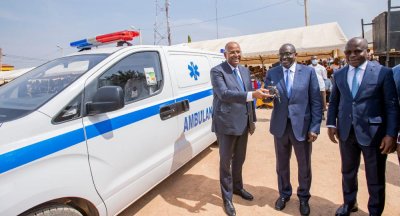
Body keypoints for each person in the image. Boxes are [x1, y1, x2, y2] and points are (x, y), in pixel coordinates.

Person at [327, 37, 399, 216]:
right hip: (346, 132)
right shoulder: (339, 74)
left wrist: (391, 134)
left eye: (357, 51)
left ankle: (374, 211)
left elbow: (391, 106)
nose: (352, 55)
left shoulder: (383, 73)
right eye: (348, 52)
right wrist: (330, 123)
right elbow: (334, 101)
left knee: (374, 176)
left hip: (374, 134)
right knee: (348, 172)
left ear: (367, 52)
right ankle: (349, 204)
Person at [210, 41, 269, 216]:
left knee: (240, 159)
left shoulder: (244, 70)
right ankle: (227, 198)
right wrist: (253, 95)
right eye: (232, 52)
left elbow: (250, 98)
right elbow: (224, 94)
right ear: (225, 55)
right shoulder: (217, 71)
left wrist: (252, 119)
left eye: (238, 51)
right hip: (226, 124)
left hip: (243, 123)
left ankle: (237, 188)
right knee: (226, 162)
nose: (236, 54)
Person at [264, 43, 322, 216]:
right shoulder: (272, 72)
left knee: (304, 165)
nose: (285, 57)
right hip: (280, 127)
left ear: (295, 54)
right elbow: (267, 99)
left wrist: (315, 127)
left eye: (288, 54)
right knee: (282, 165)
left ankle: (303, 197)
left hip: (302, 128)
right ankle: (284, 194)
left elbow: (316, 102)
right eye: (281, 54)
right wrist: (267, 96)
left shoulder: (308, 72)